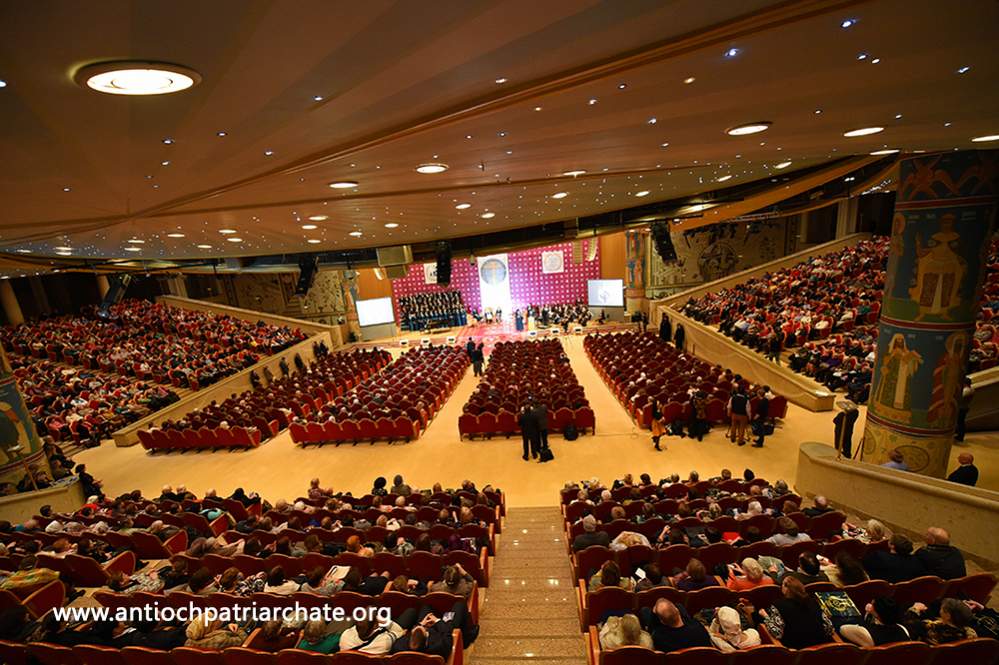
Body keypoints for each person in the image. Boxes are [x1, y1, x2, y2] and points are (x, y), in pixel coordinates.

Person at [754, 577, 834, 649]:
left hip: (795, 650)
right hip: (822, 647)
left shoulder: (778, 605)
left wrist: (766, 616)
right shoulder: (814, 602)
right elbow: (829, 627)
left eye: (782, 585)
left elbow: (777, 633)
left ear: (786, 589)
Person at [639, 598, 712, 653]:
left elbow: (651, 630)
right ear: (678, 611)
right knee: (679, 604)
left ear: (662, 622)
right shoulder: (697, 626)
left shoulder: (659, 637)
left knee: (644, 610)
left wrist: (653, 614)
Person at [839, 597, 909, 647]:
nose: (870, 605)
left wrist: (868, 613)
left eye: (872, 605)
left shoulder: (865, 633)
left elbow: (842, 628)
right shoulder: (903, 629)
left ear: (877, 614)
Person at [862, 534, 927, 583]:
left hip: (880, 591)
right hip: (906, 593)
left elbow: (864, 564)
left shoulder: (879, 556)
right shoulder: (916, 561)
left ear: (892, 545)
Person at [955, 377, 974, 441]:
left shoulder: (966, 390)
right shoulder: (972, 389)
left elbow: (960, 398)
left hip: (962, 408)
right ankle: (959, 435)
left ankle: (960, 436)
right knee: (961, 422)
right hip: (965, 407)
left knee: (960, 423)